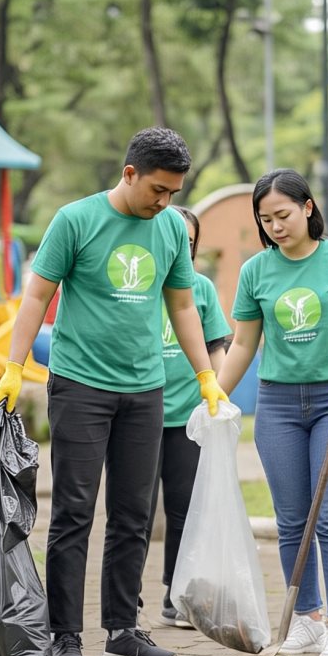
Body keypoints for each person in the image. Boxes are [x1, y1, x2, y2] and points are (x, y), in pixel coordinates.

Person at [0, 127, 230, 656]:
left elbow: (182, 307)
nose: (164, 202)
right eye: (157, 189)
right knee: (74, 510)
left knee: (133, 515)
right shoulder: (75, 220)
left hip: (145, 389)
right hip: (80, 386)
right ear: (129, 173)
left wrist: (205, 375)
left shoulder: (170, 230)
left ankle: (123, 631)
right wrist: (14, 366)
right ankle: (64, 636)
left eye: (173, 193)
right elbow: (37, 294)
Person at [217, 168, 328, 656]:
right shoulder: (256, 271)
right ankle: (307, 620)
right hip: (277, 405)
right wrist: (214, 394)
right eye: (265, 219)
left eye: (283, 215)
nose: (275, 226)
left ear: (308, 207)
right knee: (292, 520)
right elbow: (243, 343)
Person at [147, 205, 233, 628]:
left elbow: (216, 346)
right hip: (140, 415)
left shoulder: (200, 288)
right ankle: (125, 601)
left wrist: (219, 399)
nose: (178, 246)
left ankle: (175, 594)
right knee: (136, 511)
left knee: (184, 509)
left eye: (188, 240)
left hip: (187, 418)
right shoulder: (142, 285)